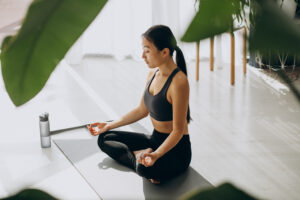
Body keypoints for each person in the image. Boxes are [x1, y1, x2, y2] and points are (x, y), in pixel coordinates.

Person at [87, 25, 191, 184]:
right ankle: (138, 155)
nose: (143, 55)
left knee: (145, 169)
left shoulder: (179, 82)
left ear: (164, 52)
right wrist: (108, 125)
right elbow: (141, 110)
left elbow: (177, 132)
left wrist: (156, 155)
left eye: (147, 50)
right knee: (105, 138)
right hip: (155, 139)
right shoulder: (152, 74)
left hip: (176, 150)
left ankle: (142, 159)